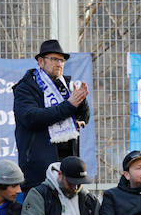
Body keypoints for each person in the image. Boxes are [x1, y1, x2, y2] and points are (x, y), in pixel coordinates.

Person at [13, 39, 90, 192]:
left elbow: (83, 118)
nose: (59, 64)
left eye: (62, 60)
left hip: (68, 167)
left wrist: (81, 101)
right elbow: (32, 118)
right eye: (54, 59)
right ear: (41, 61)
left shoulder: (66, 86)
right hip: (39, 171)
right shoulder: (26, 87)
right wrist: (69, 105)